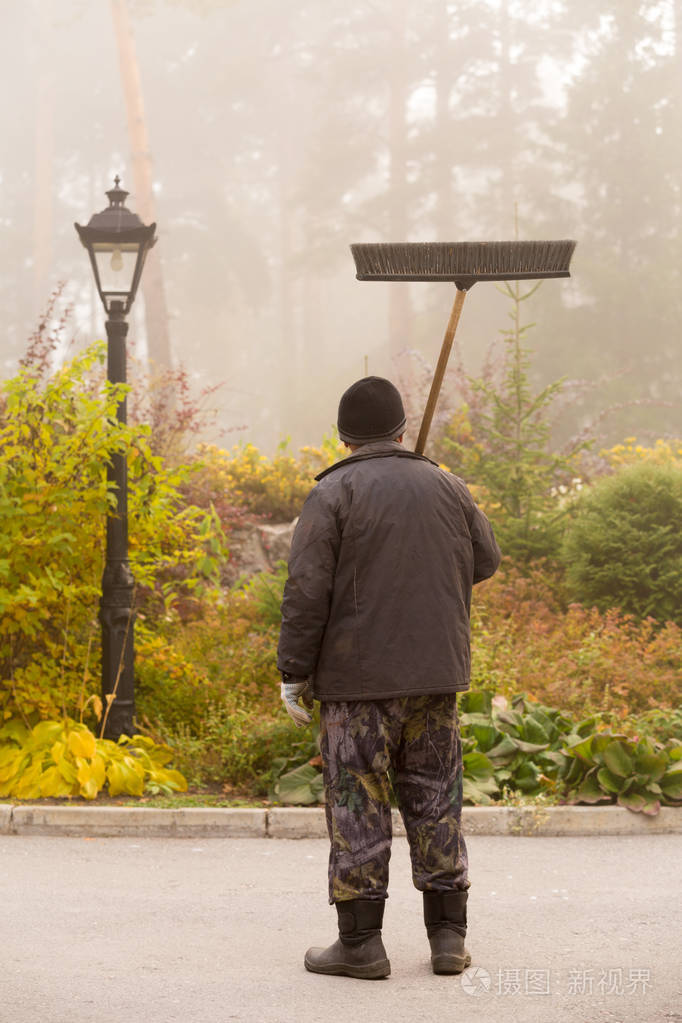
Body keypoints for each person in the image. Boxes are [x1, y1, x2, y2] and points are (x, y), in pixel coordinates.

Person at [277, 376, 501, 980]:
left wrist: (293, 673)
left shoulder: (333, 494)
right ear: (402, 429)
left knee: (358, 801)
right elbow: (486, 559)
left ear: (344, 436)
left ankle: (361, 946)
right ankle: (448, 940)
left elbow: (306, 591)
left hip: (356, 685)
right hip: (435, 678)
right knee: (436, 799)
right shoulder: (448, 485)